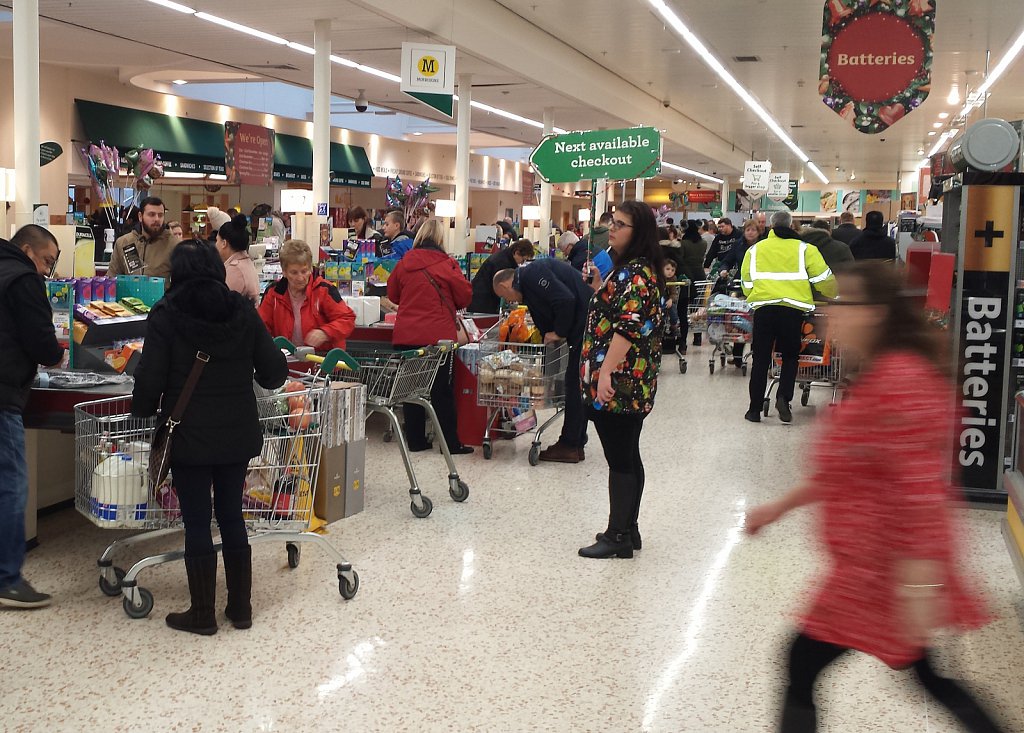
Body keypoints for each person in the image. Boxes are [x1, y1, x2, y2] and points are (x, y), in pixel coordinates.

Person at [746, 263, 1005, 733]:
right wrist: (777, 507)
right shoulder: (881, 374)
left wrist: (919, 584)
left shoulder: (902, 380)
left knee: (803, 662)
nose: (832, 314)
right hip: (871, 565)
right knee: (923, 674)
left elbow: (922, 491)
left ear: (877, 314)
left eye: (846, 303)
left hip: (887, 569)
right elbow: (847, 471)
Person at [132, 240, 288, 635]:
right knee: (233, 516)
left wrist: (144, 409)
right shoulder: (241, 310)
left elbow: (149, 378)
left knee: (198, 521)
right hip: (236, 432)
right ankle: (240, 608)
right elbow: (272, 373)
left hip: (188, 434)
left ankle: (201, 613)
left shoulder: (166, 313)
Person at [578, 200, 665, 559]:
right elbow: (621, 312)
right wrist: (600, 286)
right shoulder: (631, 270)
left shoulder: (634, 274)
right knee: (628, 455)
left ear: (638, 232)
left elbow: (627, 329)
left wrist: (605, 375)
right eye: (612, 222)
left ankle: (617, 537)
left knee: (620, 460)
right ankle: (628, 528)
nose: (611, 229)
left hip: (620, 382)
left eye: (621, 224)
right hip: (633, 381)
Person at [0, 226, 65, 609]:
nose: (47, 271)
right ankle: (8, 578)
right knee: (12, 485)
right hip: (4, 391)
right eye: (46, 261)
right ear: (28, 251)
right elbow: (42, 343)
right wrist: (56, 355)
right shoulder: (24, 281)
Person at [492, 257, 593, 463]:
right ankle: (576, 441)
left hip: (585, 326)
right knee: (577, 384)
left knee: (574, 385)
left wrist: (558, 332)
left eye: (506, 296)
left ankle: (570, 444)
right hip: (585, 325)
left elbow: (565, 300)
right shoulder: (530, 277)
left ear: (505, 284)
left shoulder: (532, 274)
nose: (512, 302)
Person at [387, 219, 474, 455]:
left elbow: (393, 294)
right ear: (440, 239)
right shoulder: (448, 264)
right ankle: (449, 444)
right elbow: (465, 296)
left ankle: (416, 441)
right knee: (441, 391)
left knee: (410, 388)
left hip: (406, 335)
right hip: (439, 340)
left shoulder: (404, 263)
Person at [741, 210, 837, 424]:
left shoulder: (755, 250)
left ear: (771, 227)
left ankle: (754, 409)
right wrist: (833, 294)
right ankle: (783, 397)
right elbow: (823, 278)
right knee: (790, 356)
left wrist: (755, 295)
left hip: (764, 310)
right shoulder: (805, 249)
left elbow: (746, 283)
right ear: (792, 225)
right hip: (792, 311)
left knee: (761, 359)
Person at [258, 239, 356, 351]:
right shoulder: (273, 294)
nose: (300, 278)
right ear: (284, 272)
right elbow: (261, 328)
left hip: (322, 362)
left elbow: (347, 319)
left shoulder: (324, 290)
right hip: (288, 362)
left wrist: (325, 332)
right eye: (294, 272)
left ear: (310, 268)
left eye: (304, 271)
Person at [107, 196, 180, 279]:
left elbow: (183, 283)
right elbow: (111, 278)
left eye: (160, 215)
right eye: (151, 214)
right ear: (140, 216)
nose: (157, 219)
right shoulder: (123, 242)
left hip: (161, 291)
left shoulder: (174, 245)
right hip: (128, 291)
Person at [469, 238, 534, 313]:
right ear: (517, 252)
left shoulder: (504, 257)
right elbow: (504, 287)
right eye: (523, 260)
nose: (522, 263)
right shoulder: (502, 263)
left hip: (481, 299)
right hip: (483, 303)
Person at [214, 214, 259, 304]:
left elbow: (221, 303)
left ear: (224, 243)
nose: (215, 244)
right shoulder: (244, 262)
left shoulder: (235, 269)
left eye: (217, 240)